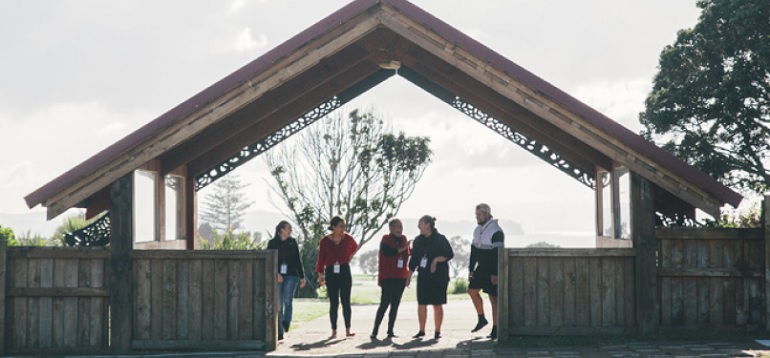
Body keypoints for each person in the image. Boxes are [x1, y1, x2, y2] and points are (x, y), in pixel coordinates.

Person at [407, 215, 453, 340]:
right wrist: (409, 275)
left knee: (437, 304)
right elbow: (414, 259)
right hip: (423, 276)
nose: (418, 226)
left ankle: (437, 331)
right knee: (421, 303)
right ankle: (421, 330)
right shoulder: (417, 240)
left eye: (420, 224)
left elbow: (449, 254)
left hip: (438, 276)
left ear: (428, 225)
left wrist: (436, 260)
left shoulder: (440, 239)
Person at [316, 215, 358, 339]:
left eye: (344, 226)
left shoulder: (348, 239)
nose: (343, 229)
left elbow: (355, 247)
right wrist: (320, 275)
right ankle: (334, 330)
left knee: (346, 301)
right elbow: (321, 259)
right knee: (333, 302)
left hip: (344, 270)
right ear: (333, 227)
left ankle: (348, 329)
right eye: (340, 226)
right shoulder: (324, 241)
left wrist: (348, 256)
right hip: (330, 272)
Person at [467, 203, 504, 339]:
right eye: (476, 214)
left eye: (480, 214)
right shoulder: (477, 230)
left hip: (492, 268)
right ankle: (481, 318)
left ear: (487, 214)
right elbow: (474, 251)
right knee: (471, 291)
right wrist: (471, 269)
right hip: (481, 268)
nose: (477, 217)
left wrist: (495, 273)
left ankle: (496, 328)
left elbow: (497, 254)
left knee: (493, 299)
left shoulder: (496, 231)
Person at [370, 218, 410, 340]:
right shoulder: (385, 239)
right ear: (391, 228)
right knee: (384, 304)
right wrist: (404, 248)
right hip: (388, 277)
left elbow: (407, 255)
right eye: (397, 226)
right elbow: (389, 252)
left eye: (401, 226)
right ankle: (375, 331)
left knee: (395, 305)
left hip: (400, 277)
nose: (400, 229)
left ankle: (390, 330)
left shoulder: (404, 239)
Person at [267, 221, 306, 341]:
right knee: (278, 304)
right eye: (289, 228)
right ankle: (279, 332)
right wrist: (276, 274)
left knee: (287, 300)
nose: (291, 230)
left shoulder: (292, 242)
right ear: (281, 230)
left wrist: (302, 277)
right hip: (278, 276)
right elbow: (269, 261)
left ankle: (286, 322)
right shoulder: (272, 243)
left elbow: (297, 260)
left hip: (291, 275)